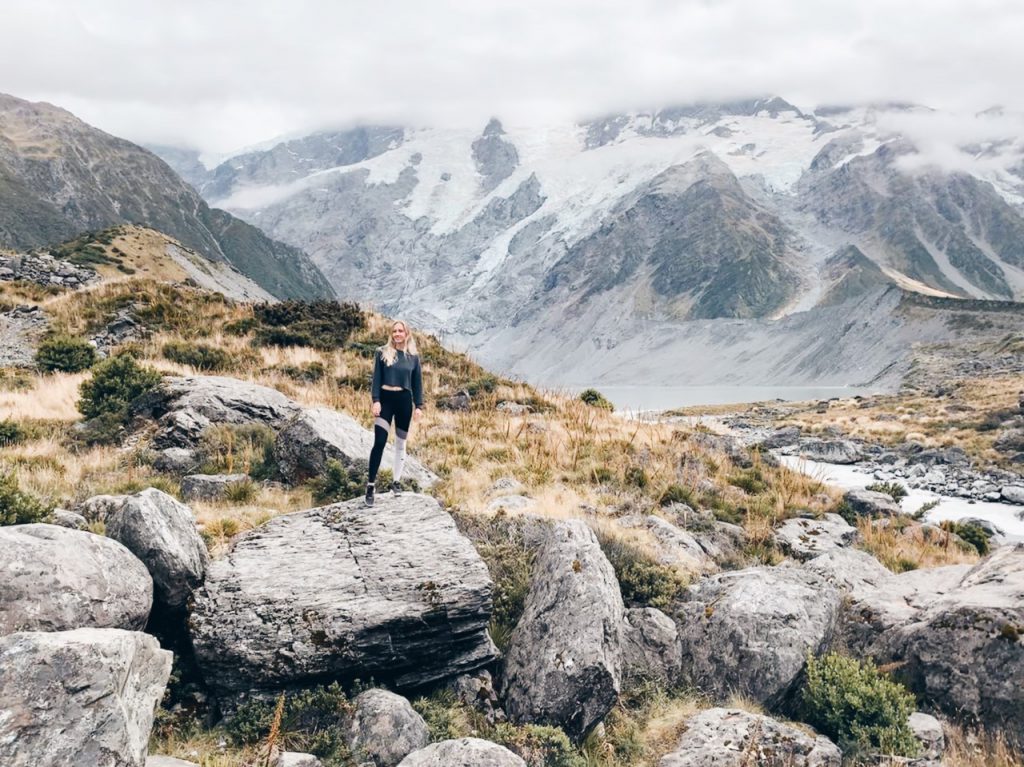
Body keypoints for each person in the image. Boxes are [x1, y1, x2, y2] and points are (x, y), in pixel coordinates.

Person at [365, 319, 423, 506]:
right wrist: (376, 401)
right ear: (391, 334)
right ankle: (371, 485)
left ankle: (396, 482)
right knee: (380, 442)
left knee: (400, 444)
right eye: (394, 331)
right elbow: (376, 379)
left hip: (404, 401)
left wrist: (419, 406)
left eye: (400, 331)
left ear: (407, 334)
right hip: (385, 400)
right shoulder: (382, 353)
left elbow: (417, 384)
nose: (397, 334)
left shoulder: (413, 357)